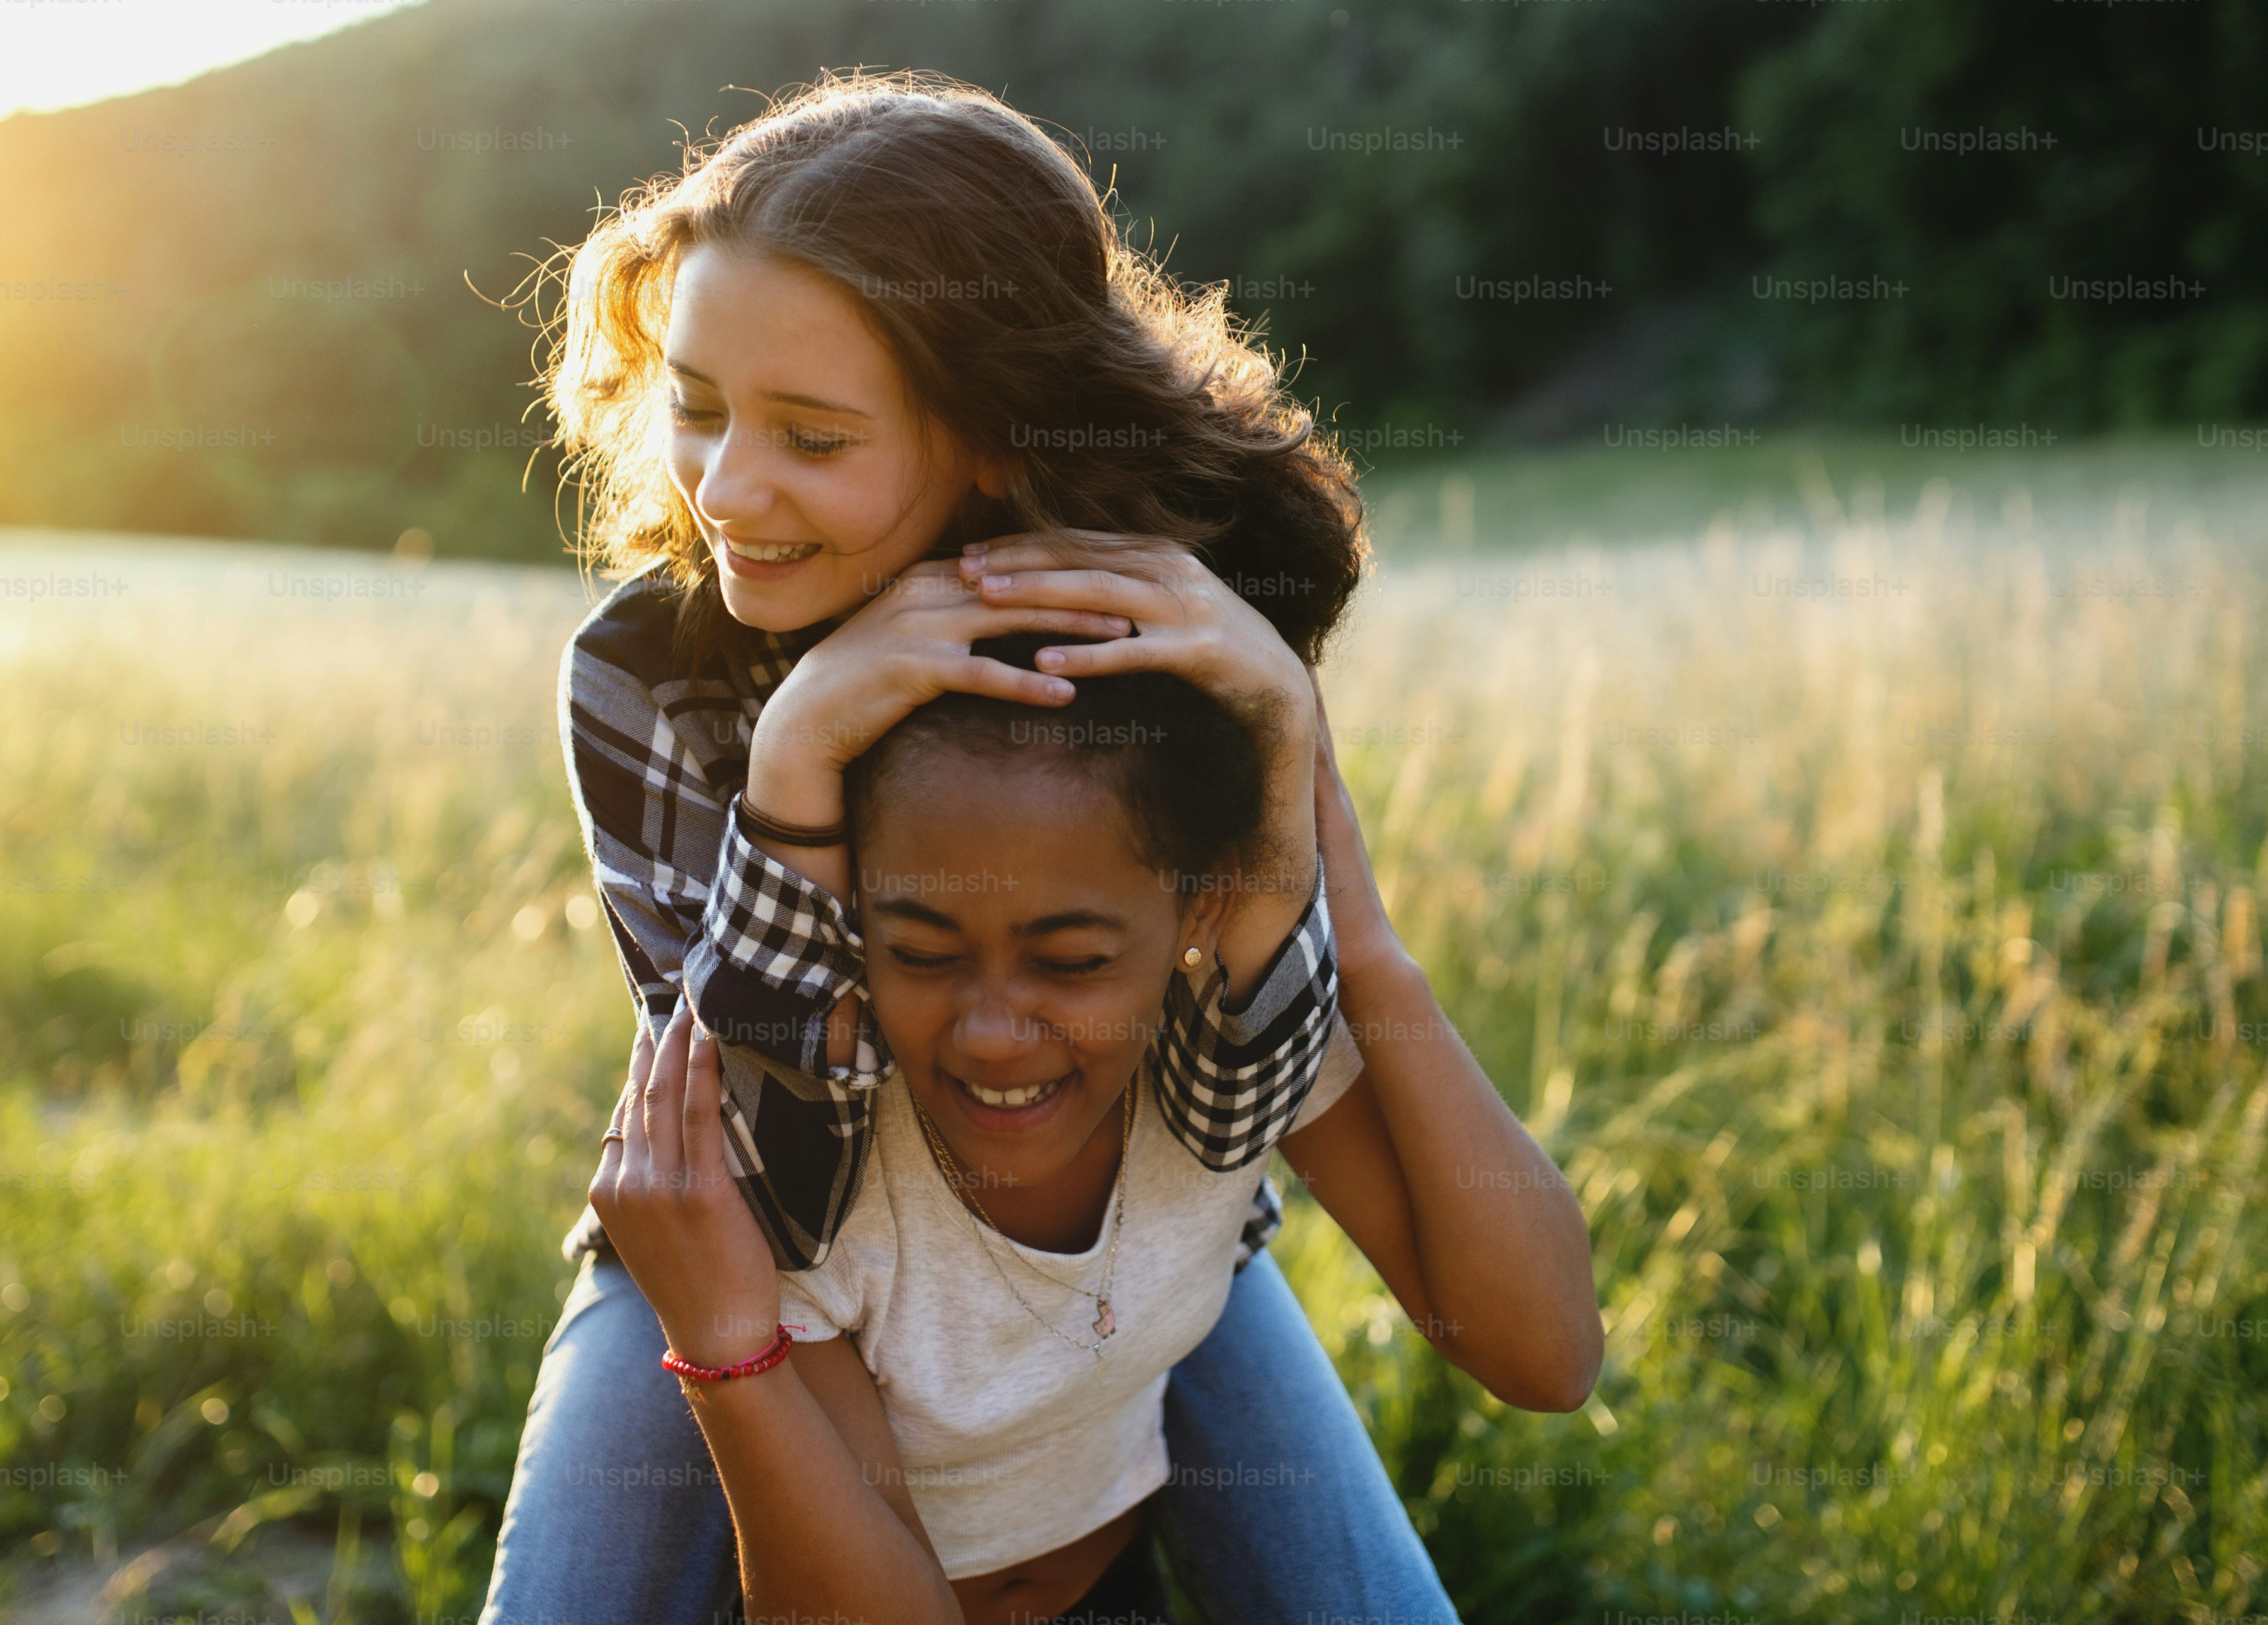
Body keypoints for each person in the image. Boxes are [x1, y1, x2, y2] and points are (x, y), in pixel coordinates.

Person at [476, 71, 1492, 1622]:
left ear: (1000, 440)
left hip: (1125, 1233)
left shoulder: (1162, 639)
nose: (728, 488)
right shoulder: (647, 673)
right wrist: (801, 752)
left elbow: (1233, 1095)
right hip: (766, 1262)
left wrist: (1282, 725)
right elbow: (767, 1189)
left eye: (812, 435)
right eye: (695, 405)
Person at [584, 642, 1604, 1622]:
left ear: (1200, 913)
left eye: (1071, 963)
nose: (990, 1035)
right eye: (921, 953)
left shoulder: (1233, 1049)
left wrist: (1369, 950)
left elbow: (1546, 1360)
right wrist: (728, 1349)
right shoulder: (813, 1161)